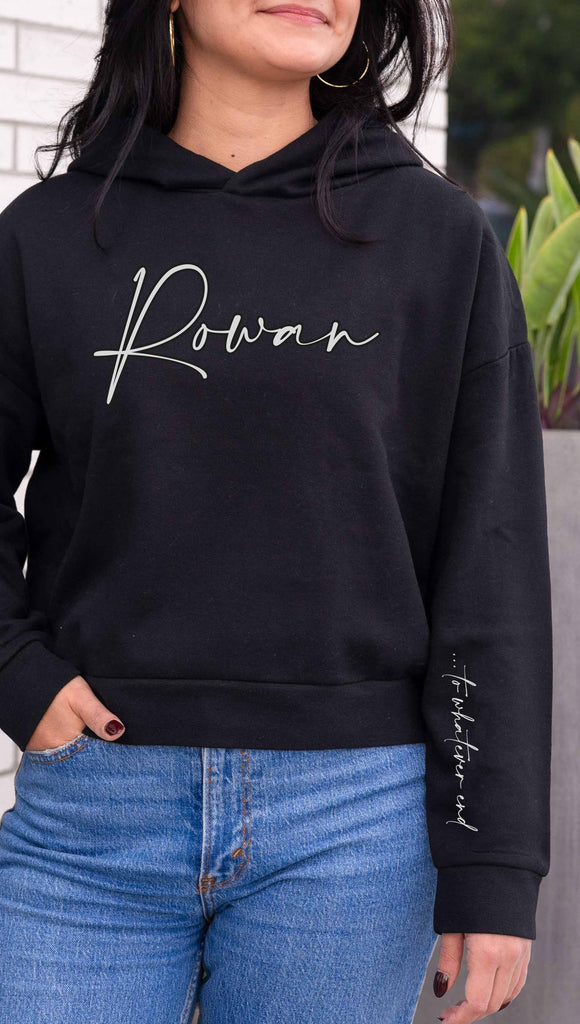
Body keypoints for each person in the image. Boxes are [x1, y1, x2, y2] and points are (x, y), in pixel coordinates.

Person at [0, 1, 552, 1022]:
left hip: (355, 829)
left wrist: (494, 862)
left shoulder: (435, 239)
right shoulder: (49, 235)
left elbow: (492, 551)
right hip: (92, 820)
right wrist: (16, 670)